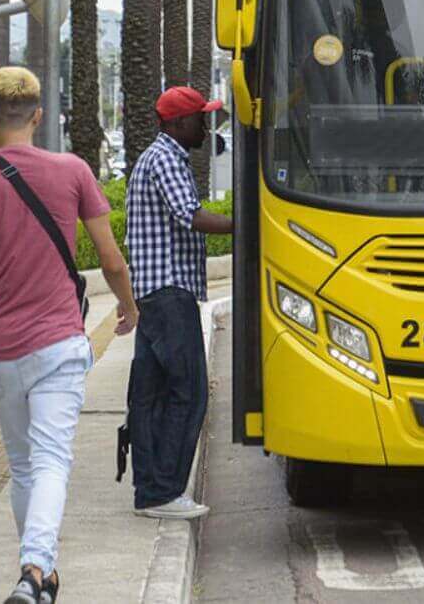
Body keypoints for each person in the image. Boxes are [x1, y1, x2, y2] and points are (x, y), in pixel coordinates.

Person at [0, 66, 138, 604]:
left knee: (23, 463)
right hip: (57, 344)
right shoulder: (72, 170)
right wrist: (128, 306)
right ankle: (33, 568)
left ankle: (42, 579)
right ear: (39, 115)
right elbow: (110, 257)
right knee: (51, 461)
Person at [125, 86, 233, 521]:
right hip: (170, 294)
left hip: (156, 293)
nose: (205, 126)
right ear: (177, 123)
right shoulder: (167, 158)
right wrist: (248, 223)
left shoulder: (162, 156)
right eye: (199, 118)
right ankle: (165, 491)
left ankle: (151, 491)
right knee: (188, 392)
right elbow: (191, 215)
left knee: (150, 396)